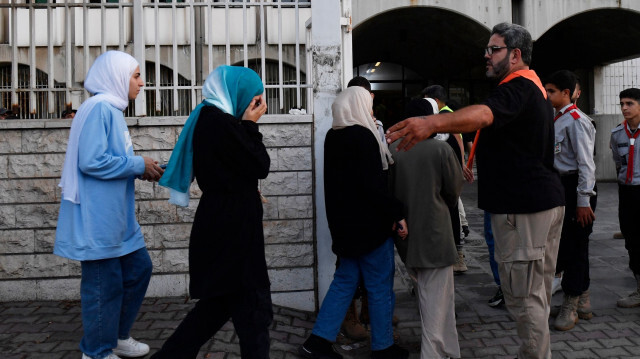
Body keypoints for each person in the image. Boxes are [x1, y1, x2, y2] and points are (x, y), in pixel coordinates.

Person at [386, 22, 565, 359]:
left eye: (493, 49)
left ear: (514, 55)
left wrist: (432, 122)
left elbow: (484, 115)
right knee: (535, 294)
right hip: (540, 203)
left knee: (522, 298)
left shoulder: (517, 86)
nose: (486, 55)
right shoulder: (532, 86)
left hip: (524, 209)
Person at [152, 65, 271, 358]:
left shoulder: (214, 118)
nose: (257, 104)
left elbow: (237, 167)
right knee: (249, 309)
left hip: (226, 223)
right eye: (255, 97)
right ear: (239, 93)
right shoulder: (220, 122)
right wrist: (250, 124)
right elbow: (260, 165)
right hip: (232, 228)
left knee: (225, 306)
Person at [54, 50, 164, 359]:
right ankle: (96, 351)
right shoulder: (100, 108)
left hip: (116, 217)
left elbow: (112, 159)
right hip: (97, 217)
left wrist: (141, 167)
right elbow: (91, 161)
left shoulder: (112, 110)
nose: (142, 83)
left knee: (139, 269)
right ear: (117, 77)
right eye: (136, 75)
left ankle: (115, 336)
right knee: (103, 285)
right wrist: (136, 165)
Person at [299, 86, 408, 359]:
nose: (371, 112)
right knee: (380, 287)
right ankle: (383, 347)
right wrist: (397, 212)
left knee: (344, 282)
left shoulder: (332, 137)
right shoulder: (364, 137)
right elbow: (373, 187)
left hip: (345, 228)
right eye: (368, 105)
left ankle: (317, 343)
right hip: (370, 227)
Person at [391, 98, 463, 359]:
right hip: (435, 231)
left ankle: (446, 349)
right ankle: (433, 352)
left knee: (426, 294)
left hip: (405, 235)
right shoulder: (440, 149)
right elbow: (453, 191)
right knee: (438, 299)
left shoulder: (393, 149)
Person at [544, 70, 597, 330]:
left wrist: (583, 200)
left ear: (567, 93)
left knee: (574, 247)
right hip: (560, 186)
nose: (547, 95)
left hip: (575, 187)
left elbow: (586, 163)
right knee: (567, 247)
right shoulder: (556, 118)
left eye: (551, 91)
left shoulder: (576, 120)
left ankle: (571, 304)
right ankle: (581, 299)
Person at [423, 85, 472, 274]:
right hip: (451, 170)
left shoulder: (444, 116)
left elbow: (457, 139)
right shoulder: (447, 113)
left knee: (452, 211)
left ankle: (457, 256)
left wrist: (460, 167)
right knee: (453, 209)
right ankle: (457, 254)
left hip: (448, 172)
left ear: (433, 100)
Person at [610, 87, 640, 308]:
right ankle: (639, 289)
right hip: (627, 192)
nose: (624, 108)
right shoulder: (617, 134)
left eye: (629, 103)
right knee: (632, 239)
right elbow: (618, 164)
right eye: (622, 104)